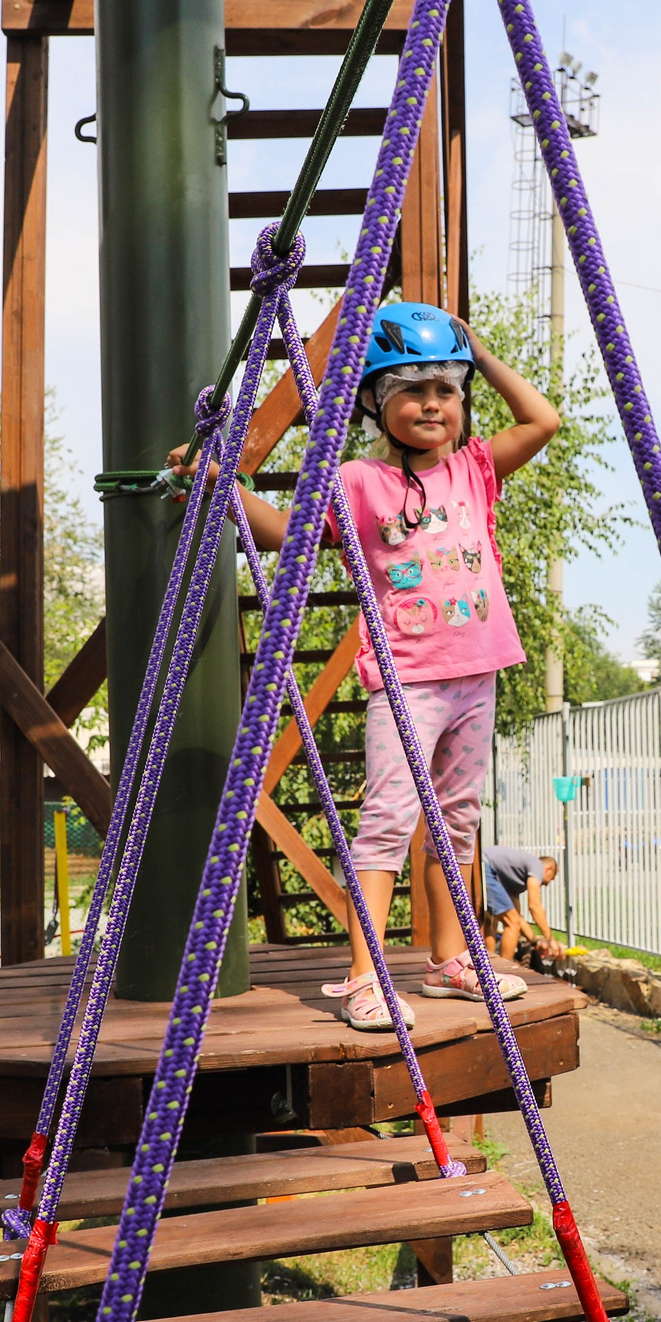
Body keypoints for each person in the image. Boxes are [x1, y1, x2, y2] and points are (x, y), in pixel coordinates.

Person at [200, 302, 560, 1027]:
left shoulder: (475, 468)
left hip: (476, 670)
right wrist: (221, 483)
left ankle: (448, 959)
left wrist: (479, 354)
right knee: (390, 820)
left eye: (447, 389)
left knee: (457, 822)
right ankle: (365, 975)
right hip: (405, 679)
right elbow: (283, 535)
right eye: (412, 389)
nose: (433, 403)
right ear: (374, 399)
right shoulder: (358, 481)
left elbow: (543, 421)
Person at [482, 844, 559, 959]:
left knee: (492, 920)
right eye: (551, 879)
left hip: (480, 862)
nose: (547, 884)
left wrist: (534, 942)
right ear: (549, 868)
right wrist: (550, 939)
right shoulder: (537, 866)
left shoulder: (513, 879)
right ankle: (503, 970)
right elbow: (534, 906)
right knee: (512, 923)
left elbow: (518, 918)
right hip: (485, 865)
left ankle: (488, 965)